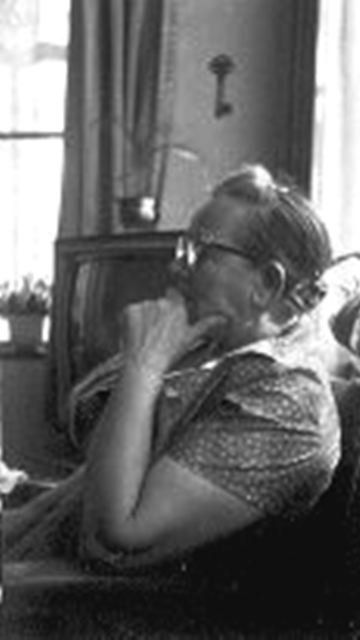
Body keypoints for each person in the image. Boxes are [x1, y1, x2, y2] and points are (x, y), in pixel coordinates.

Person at [4, 164, 340, 583]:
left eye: (201, 252)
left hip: (105, 604)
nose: (177, 268)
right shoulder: (214, 352)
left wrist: (143, 365)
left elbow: (115, 538)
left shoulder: (289, 402)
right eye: (183, 248)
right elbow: (83, 469)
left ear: (267, 284)